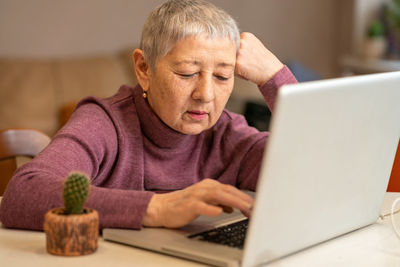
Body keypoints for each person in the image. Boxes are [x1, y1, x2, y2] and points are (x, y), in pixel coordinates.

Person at [0, 0, 297, 230]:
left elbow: (328, 173)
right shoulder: (105, 123)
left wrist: (275, 78)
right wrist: (158, 208)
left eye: (222, 76)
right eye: (187, 73)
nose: (206, 94)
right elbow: (22, 195)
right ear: (144, 69)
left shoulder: (231, 136)